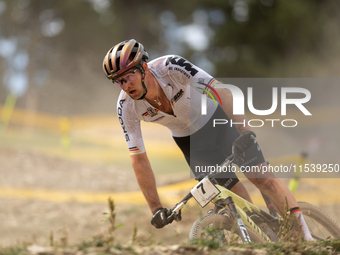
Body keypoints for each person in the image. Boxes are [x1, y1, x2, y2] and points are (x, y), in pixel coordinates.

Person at [102, 39, 313, 241]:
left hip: (218, 122)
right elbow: (138, 159)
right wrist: (155, 208)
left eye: (128, 76)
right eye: (118, 81)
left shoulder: (171, 67)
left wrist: (244, 130)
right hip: (191, 144)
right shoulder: (126, 107)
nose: (125, 85)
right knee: (232, 198)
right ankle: (265, 237)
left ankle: (306, 237)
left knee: (262, 178)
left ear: (144, 68)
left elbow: (221, 90)